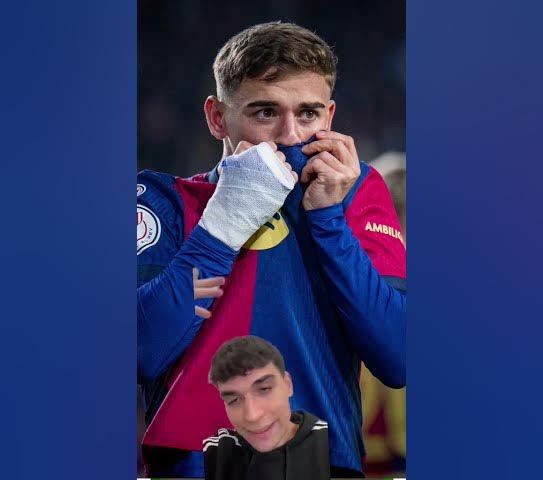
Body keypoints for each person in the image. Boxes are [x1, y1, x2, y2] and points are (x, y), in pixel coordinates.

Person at [137, 21, 406, 478]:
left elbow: (398, 356)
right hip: (195, 468)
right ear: (217, 117)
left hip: (323, 466)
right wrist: (222, 226)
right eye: (265, 112)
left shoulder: (355, 193)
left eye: (308, 114)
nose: (291, 135)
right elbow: (142, 351)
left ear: (329, 116)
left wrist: (329, 221)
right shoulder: (164, 201)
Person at [203, 335, 329, 480]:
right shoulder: (214, 452)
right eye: (234, 400)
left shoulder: (331, 444)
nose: (252, 416)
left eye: (264, 389)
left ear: (288, 385)